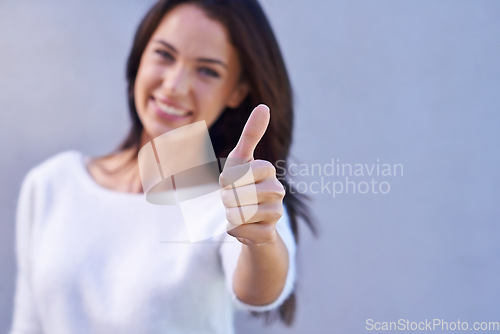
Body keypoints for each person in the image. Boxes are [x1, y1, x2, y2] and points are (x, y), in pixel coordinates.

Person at [10, 0, 315, 333]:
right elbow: (27, 323)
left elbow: (259, 292)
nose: (174, 85)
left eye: (207, 71)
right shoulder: (52, 184)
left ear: (237, 91)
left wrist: (260, 239)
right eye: (164, 55)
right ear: (140, 55)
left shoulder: (235, 195)